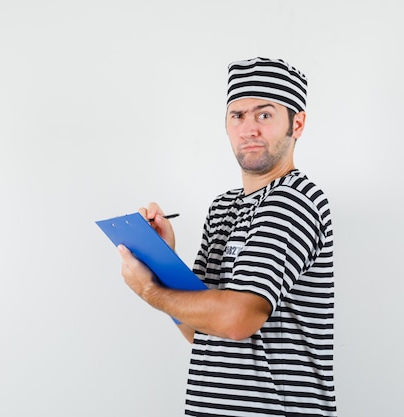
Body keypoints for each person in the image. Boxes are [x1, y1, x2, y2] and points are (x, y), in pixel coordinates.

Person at [117, 57, 337, 417]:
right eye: (237, 115)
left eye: (264, 115)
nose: (248, 129)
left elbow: (237, 320)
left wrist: (149, 289)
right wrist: (162, 258)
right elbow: (198, 330)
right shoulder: (224, 207)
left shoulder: (294, 199)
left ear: (297, 124)